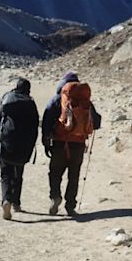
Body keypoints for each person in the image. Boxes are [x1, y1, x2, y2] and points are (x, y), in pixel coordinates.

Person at [41, 71, 101, 217]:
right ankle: (70, 206)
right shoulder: (85, 101)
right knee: (74, 176)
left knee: (55, 173)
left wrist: (46, 139)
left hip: (60, 144)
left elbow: (47, 120)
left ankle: (55, 196)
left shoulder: (58, 99)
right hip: (78, 145)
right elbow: (97, 122)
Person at [0, 78, 39, 220]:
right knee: (18, 173)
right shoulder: (31, 103)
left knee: (5, 174)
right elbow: (35, 125)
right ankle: (16, 203)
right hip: (24, 146)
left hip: (7, 142)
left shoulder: (8, 99)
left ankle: (6, 200)